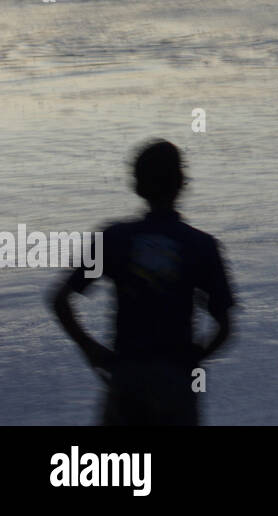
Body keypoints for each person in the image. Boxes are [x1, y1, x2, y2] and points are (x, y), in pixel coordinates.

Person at [50, 139, 236, 425]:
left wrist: (91, 349)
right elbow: (225, 328)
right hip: (175, 383)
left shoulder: (114, 239)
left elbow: (60, 300)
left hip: (127, 377)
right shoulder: (201, 246)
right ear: (181, 182)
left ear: (137, 185)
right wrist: (195, 358)